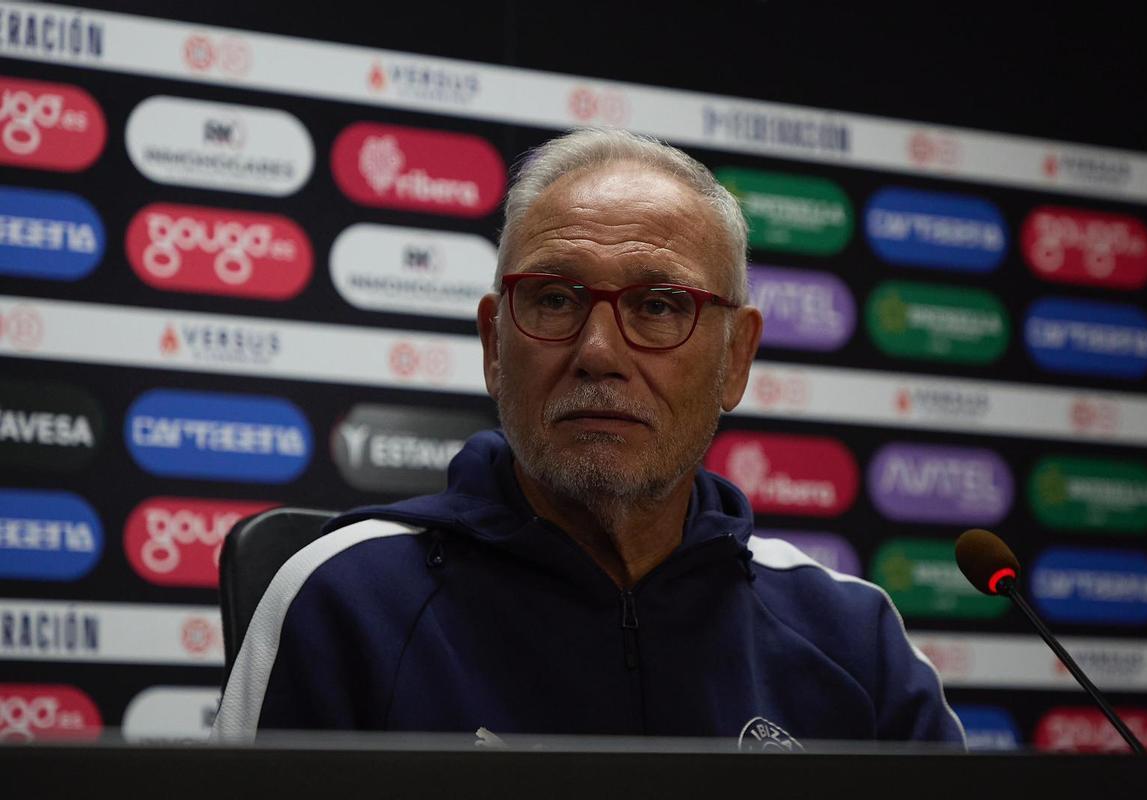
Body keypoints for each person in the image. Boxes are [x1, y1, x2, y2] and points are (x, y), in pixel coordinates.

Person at [212, 128, 964, 747]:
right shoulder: (344, 600)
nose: (599, 351)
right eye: (552, 297)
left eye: (660, 305)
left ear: (736, 358)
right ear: (494, 346)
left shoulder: (852, 637)